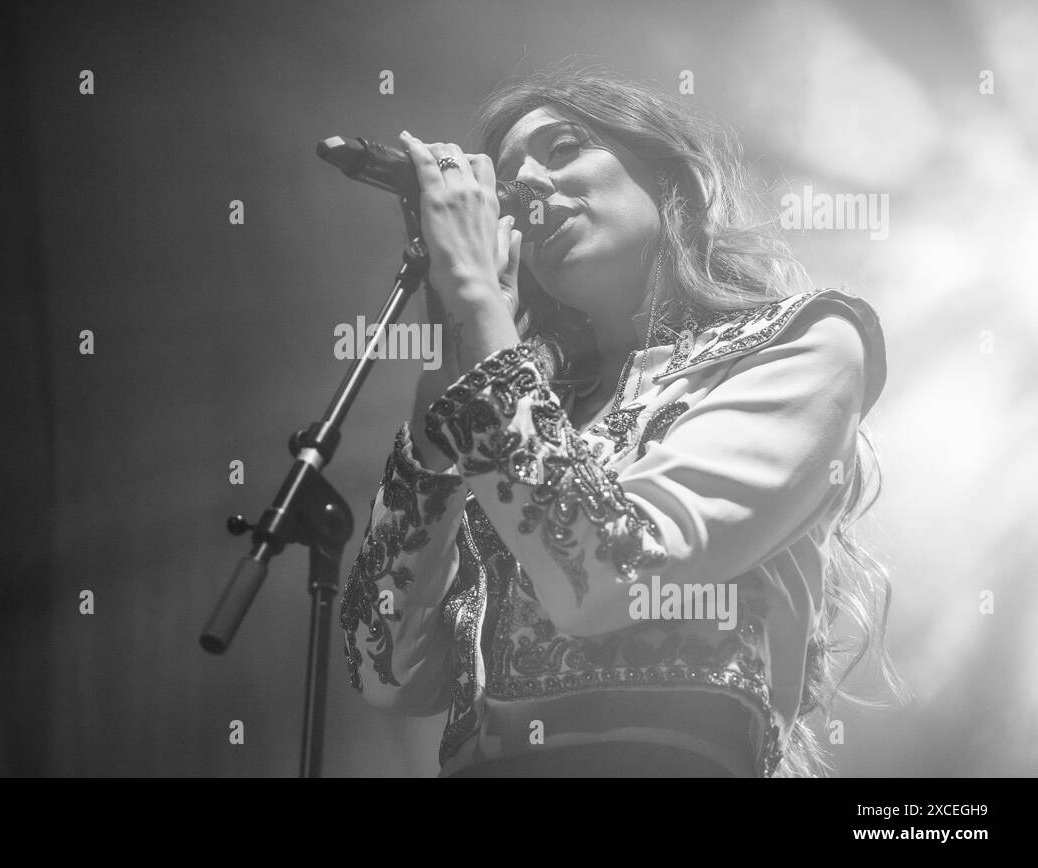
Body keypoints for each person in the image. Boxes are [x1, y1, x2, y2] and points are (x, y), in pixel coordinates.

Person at [339, 59, 902, 777]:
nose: (528, 189)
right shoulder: (516, 397)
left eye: (565, 148)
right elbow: (384, 670)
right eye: (510, 177)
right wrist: (449, 367)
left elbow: (613, 575)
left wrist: (479, 303)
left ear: (675, 180)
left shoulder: (806, 342)